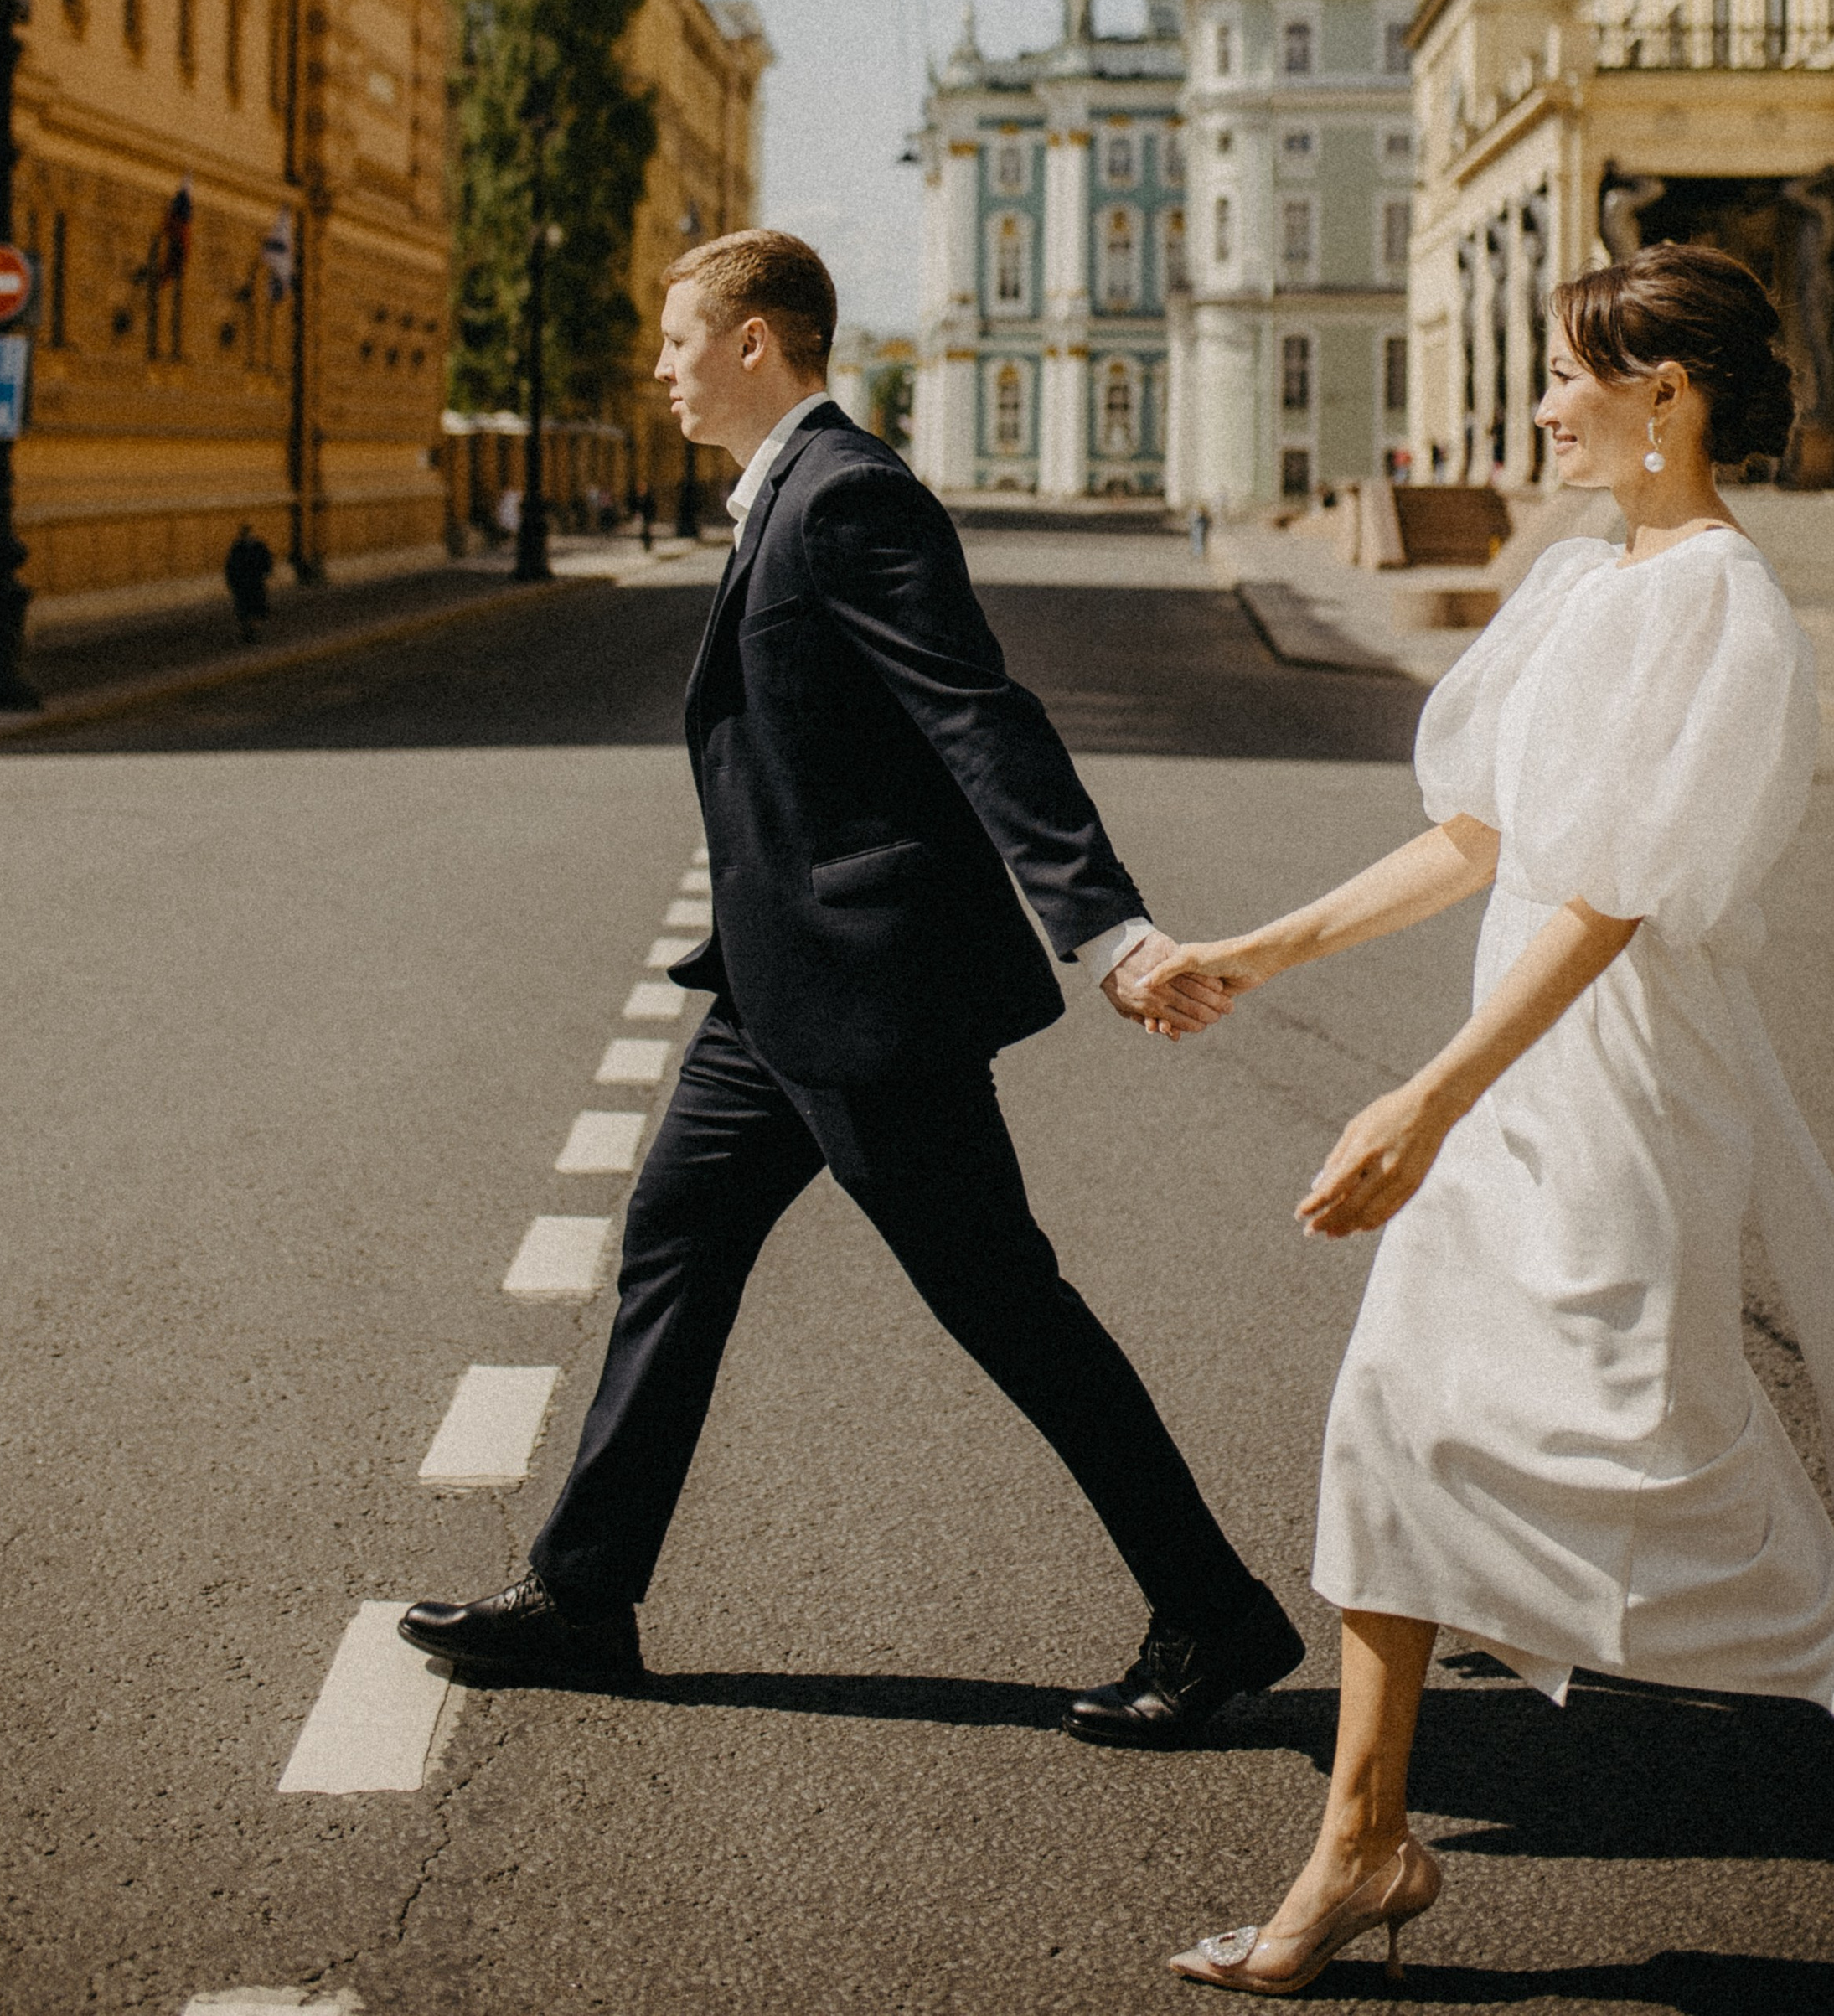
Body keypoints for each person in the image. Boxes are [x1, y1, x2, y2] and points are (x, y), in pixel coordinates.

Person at [1148, 242, 1834, 1994]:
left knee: (1685, 1472)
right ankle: (1360, 1849)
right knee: (1392, 1422)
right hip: (1507, 1080)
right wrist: (1261, 953)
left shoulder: (1727, 613)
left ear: (1662, 396)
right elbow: (1485, 841)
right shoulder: (1586, 580)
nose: (1535, 405)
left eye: (1565, 375)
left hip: (1611, 1101)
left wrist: (1425, 1099)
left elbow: (1603, 901)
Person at [401, 227, 1304, 1740]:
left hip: (872, 999)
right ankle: (587, 1596)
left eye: (679, 340)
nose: (663, 369)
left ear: (756, 342)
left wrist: (1110, 931)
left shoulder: (849, 496)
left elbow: (980, 716)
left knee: (1009, 1307)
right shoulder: (789, 499)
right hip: (776, 993)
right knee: (676, 1241)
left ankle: (1215, 1616)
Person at [222, 522, 273, 644]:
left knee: (248, 609)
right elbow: (267, 562)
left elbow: (230, 566)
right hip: (251, 582)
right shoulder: (255, 546)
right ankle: (250, 632)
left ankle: (250, 632)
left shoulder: (240, 547)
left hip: (247, 582)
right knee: (250, 608)